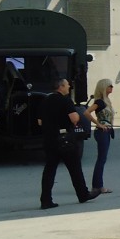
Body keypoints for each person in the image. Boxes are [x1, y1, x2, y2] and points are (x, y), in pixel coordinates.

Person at [38, 76, 98, 209]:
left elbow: (40, 121)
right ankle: (83, 194)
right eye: (67, 85)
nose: (69, 87)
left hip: (49, 140)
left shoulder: (45, 100)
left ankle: (46, 200)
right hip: (64, 140)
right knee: (75, 168)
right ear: (61, 87)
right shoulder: (65, 101)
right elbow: (74, 118)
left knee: (49, 170)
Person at [85, 78, 115, 194]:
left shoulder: (106, 101)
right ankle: (98, 186)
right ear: (104, 87)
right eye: (109, 86)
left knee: (102, 159)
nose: (112, 88)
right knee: (101, 159)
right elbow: (86, 112)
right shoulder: (100, 102)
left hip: (106, 131)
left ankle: (97, 185)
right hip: (102, 132)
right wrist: (99, 124)